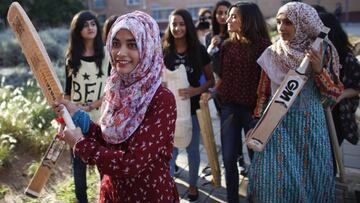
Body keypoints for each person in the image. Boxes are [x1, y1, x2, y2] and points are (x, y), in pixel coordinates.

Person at [54, 11, 179, 202]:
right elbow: (109, 141)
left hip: (148, 195)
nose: (120, 53)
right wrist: (79, 117)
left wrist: (81, 144)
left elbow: (131, 162)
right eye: (115, 43)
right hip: (113, 193)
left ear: (148, 48)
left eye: (132, 44)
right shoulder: (115, 88)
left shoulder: (161, 99)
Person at [247, 2, 344, 202]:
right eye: (279, 22)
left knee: (312, 184)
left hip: (310, 130)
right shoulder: (272, 53)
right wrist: (256, 124)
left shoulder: (321, 53)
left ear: (304, 25)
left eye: (288, 23)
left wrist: (318, 70)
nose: (281, 28)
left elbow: (334, 95)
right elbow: (263, 94)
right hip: (276, 128)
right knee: (271, 184)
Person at [214, 2, 271, 202]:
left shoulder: (264, 47)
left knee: (257, 160)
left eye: (234, 16)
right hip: (229, 108)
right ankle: (232, 199)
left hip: (253, 112)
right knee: (228, 158)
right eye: (229, 16)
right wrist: (212, 93)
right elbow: (222, 78)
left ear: (248, 20)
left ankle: (255, 197)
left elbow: (269, 82)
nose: (228, 20)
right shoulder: (226, 45)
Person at [162, 9, 214, 202]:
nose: (177, 28)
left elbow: (211, 81)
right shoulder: (164, 50)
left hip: (192, 110)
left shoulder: (198, 50)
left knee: (192, 150)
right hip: (168, 112)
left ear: (188, 26)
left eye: (181, 24)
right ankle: (167, 187)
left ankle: (193, 186)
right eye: (174, 24)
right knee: (170, 152)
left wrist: (195, 91)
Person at [64, 10, 110, 203]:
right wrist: (65, 116)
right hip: (76, 120)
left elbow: (112, 88)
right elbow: (67, 93)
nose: (90, 28)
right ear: (78, 30)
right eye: (85, 25)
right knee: (79, 166)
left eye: (93, 24)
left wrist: (94, 105)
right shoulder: (71, 58)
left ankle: (106, 198)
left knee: (104, 165)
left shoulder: (106, 54)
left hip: (102, 118)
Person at [318, 12, 360, 146]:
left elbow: (357, 86)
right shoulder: (307, 55)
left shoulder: (346, 58)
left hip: (336, 115)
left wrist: (339, 96)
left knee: (331, 154)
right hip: (313, 116)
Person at [205, 0, 231, 78]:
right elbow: (206, 60)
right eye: (219, 13)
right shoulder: (209, 36)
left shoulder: (235, 35)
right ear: (215, 15)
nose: (223, 16)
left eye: (226, 13)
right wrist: (212, 47)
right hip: (215, 78)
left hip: (232, 77)